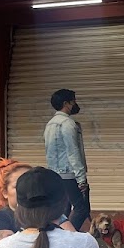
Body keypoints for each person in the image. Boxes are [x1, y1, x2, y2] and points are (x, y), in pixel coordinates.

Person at [44, 89, 91, 232]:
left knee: (64, 208)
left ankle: (57, 235)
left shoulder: (50, 124)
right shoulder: (68, 124)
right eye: (73, 101)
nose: (75, 104)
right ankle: (67, 236)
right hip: (69, 174)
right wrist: (81, 179)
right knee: (82, 208)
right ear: (66, 104)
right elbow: (73, 152)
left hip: (55, 174)